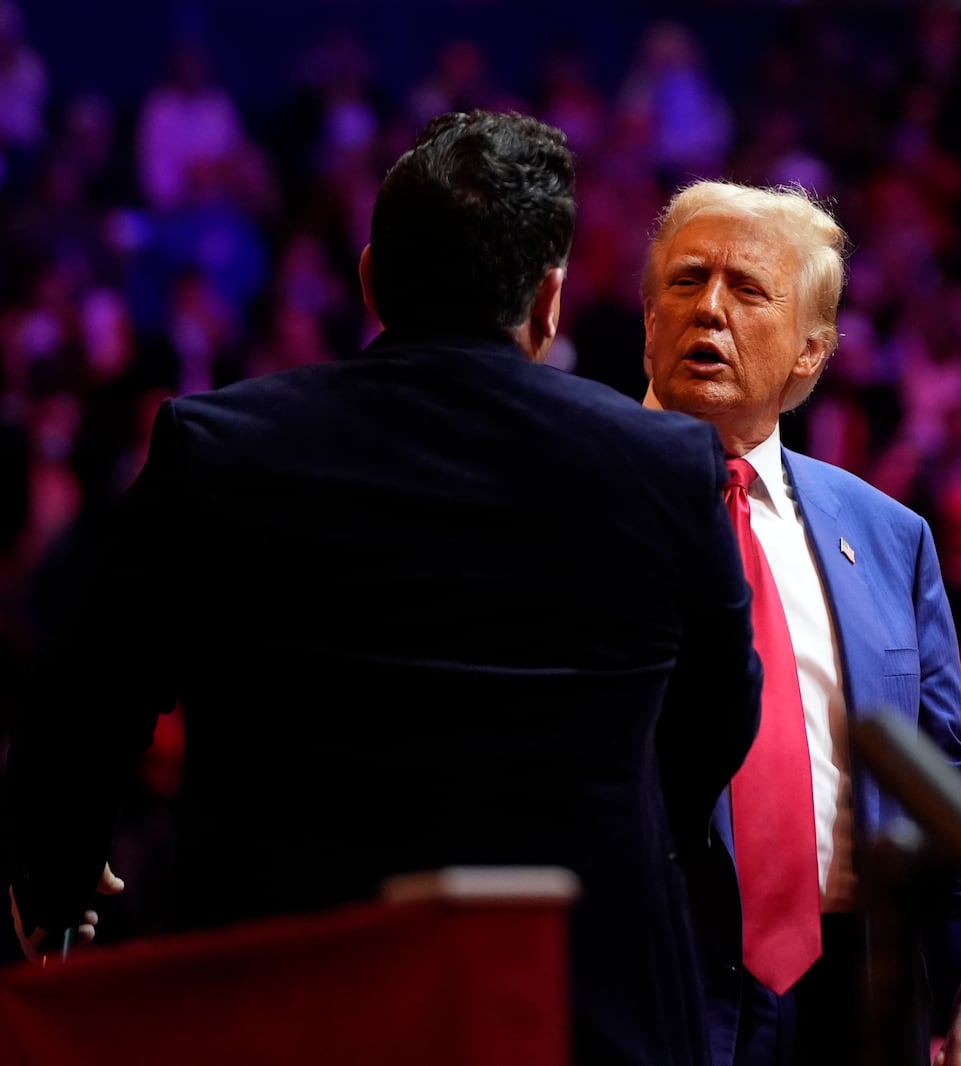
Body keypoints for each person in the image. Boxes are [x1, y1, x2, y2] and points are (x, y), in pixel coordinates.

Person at [3, 110, 762, 1066]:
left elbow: (81, 706)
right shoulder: (661, 463)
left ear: (371, 279)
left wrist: (58, 877)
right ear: (550, 300)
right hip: (576, 1010)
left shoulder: (219, 448)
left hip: (282, 1008)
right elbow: (721, 716)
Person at [639, 178, 961, 1066]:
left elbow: (947, 782)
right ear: (647, 316)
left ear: (811, 354)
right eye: (685, 281)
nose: (709, 307)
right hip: (649, 981)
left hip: (856, 995)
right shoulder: (578, 494)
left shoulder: (889, 537)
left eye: (747, 290)